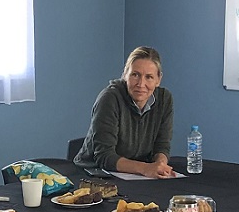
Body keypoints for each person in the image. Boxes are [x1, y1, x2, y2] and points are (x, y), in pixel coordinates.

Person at [73, 46, 175, 178]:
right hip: (95, 174)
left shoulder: (164, 99)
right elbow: (105, 156)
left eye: (149, 77)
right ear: (125, 74)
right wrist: (145, 168)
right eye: (135, 75)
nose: (141, 83)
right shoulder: (109, 98)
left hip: (138, 175)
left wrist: (160, 165)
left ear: (158, 80)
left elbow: (162, 145)